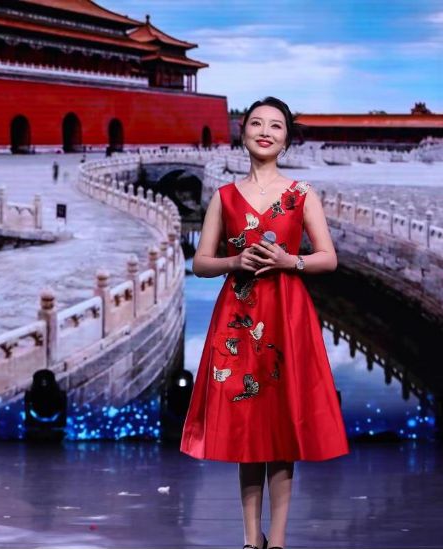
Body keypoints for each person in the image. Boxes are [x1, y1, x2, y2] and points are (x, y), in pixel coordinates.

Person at [180, 97, 348, 549]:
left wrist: (290, 261)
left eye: (275, 125)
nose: (265, 131)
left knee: (282, 425)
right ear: (243, 133)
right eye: (256, 123)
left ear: (286, 138)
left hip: (286, 315)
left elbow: (328, 258)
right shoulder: (224, 197)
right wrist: (235, 261)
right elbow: (200, 263)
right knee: (247, 426)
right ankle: (250, 538)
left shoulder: (301, 194)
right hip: (239, 316)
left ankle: (278, 540)